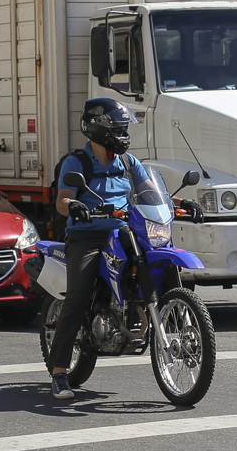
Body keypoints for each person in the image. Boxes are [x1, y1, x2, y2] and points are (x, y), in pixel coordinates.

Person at [44, 98, 203, 401]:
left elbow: (152, 193)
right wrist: (75, 206)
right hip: (87, 236)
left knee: (166, 264)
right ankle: (60, 372)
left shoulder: (128, 162)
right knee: (78, 295)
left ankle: (179, 326)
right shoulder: (76, 162)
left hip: (124, 230)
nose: (122, 134)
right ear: (97, 129)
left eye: (124, 128)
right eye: (117, 128)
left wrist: (182, 204)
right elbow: (62, 199)